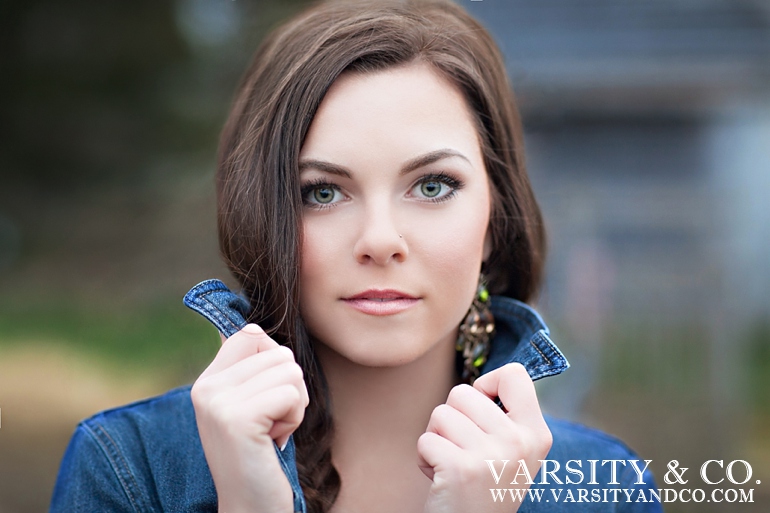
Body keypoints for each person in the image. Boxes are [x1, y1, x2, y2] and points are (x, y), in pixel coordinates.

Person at [50, 1, 662, 511]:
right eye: (322, 192)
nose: (379, 239)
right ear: (261, 215)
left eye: (432, 186)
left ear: (495, 219)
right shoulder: (129, 471)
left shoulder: (604, 485)